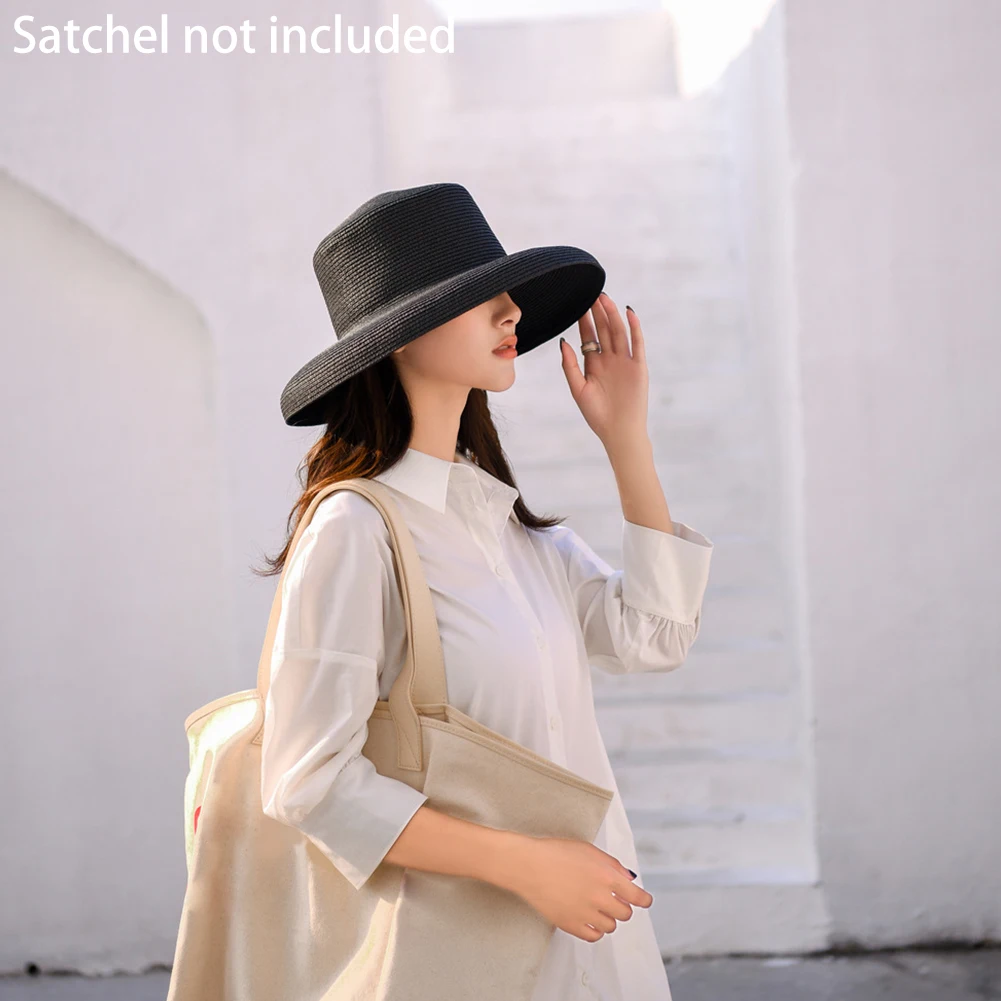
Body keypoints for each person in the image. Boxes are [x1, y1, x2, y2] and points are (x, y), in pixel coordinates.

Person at [254, 182, 714, 1000]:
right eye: (476, 297)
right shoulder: (355, 529)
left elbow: (654, 636)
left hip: (595, 949)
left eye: (504, 293)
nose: (511, 311)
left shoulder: (508, 528)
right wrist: (528, 865)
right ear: (400, 337)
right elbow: (307, 779)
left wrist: (626, 440)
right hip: (458, 957)